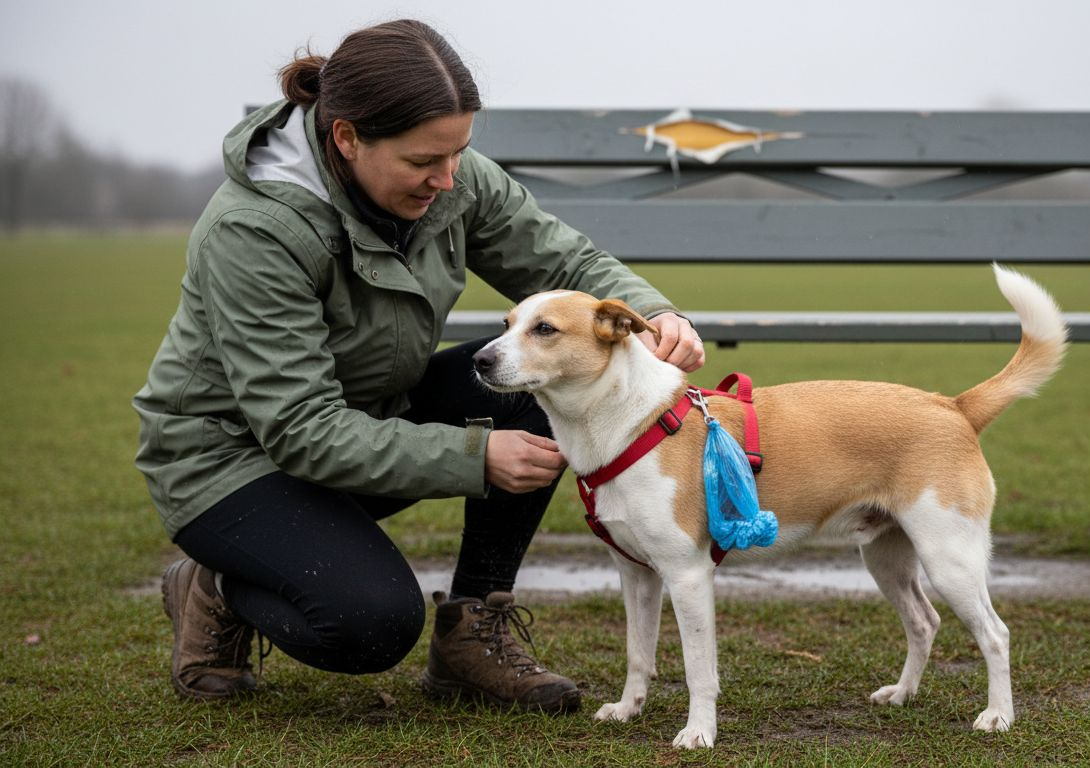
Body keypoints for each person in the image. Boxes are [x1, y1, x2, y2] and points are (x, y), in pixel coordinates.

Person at [133, 19, 704, 713]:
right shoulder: (253, 231)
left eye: (459, 151)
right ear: (347, 138)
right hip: (231, 461)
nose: (447, 178)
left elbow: (565, 263)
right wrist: (474, 454)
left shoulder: (454, 178)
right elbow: (299, 427)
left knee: (527, 384)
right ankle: (216, 584)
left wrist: (655, 312)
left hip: (369, 418)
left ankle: (471, 633)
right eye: (422, 162)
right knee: (371, 627)